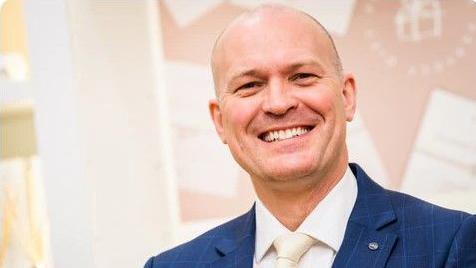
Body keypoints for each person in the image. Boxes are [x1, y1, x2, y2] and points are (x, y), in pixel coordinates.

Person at [145, 4, 476, 268]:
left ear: (346, 96)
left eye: (302, 76)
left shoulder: (451, 244)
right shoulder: (172, 265)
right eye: (250, 85)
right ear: (219, 121)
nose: (278, 103)